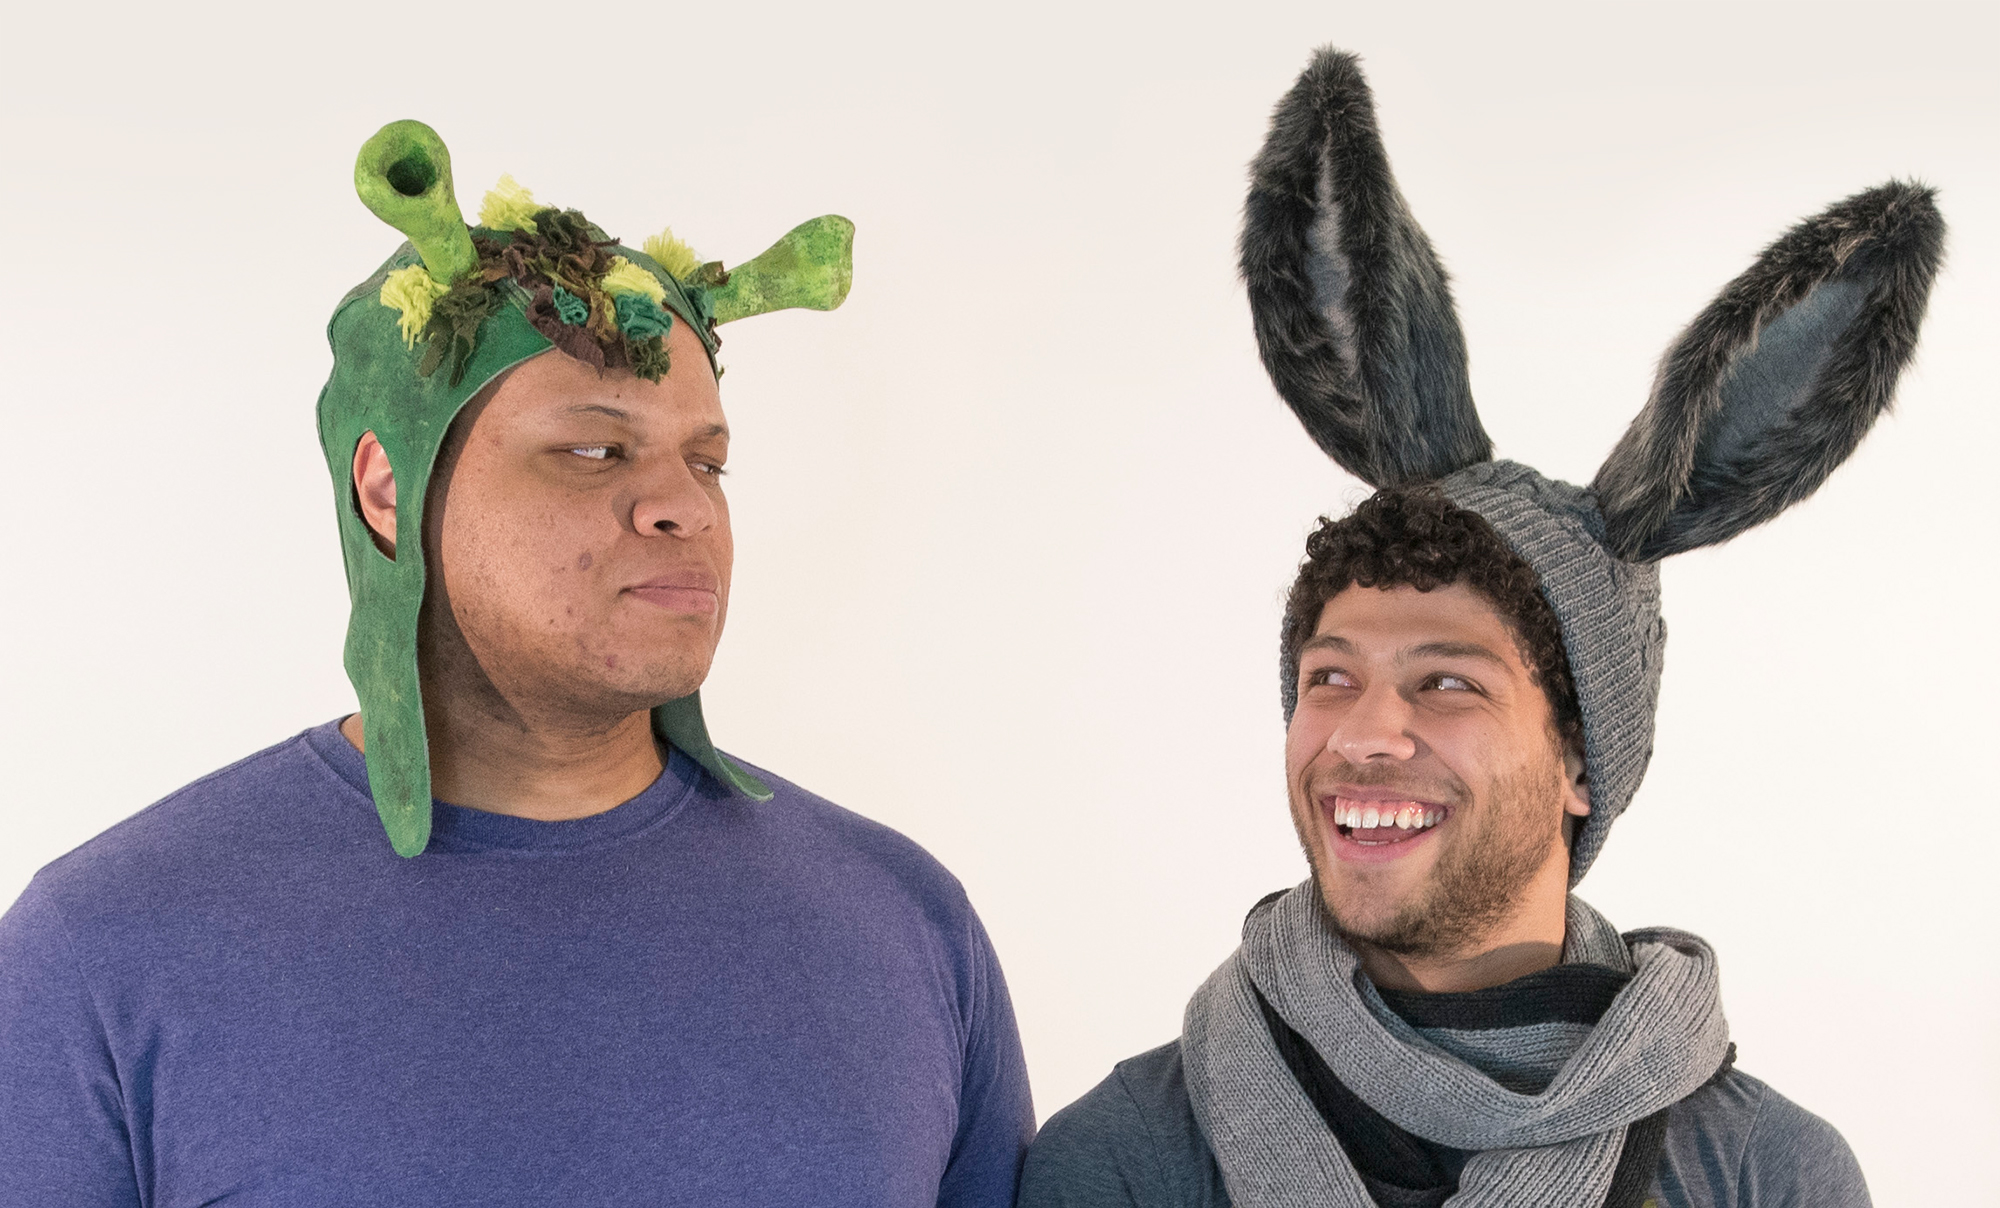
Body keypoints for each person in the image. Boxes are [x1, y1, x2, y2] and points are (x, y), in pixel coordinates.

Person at [0, 121, 1032, 1207]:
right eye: (593, 449)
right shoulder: (103, 955)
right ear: (386, 486)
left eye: (708, 459)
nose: (682, 504)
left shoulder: (906, 926)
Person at [1018, 48, 1942, 1208]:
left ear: (1577, 759)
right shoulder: (1124, 1158)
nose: (1361, 731)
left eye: (1445, 683)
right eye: (1327, 677)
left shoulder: (1762, 1172)